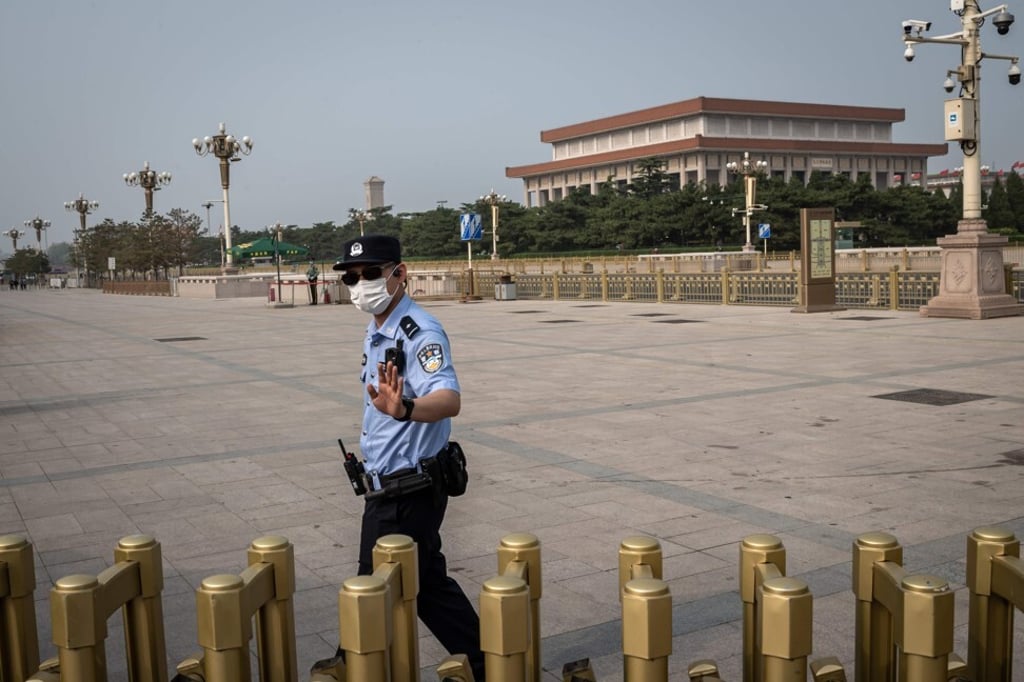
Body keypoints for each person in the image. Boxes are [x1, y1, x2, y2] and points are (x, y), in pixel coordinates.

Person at [333, 234, 485, 680]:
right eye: (353, 277)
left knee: (371, 583)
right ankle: (490, 660)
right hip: (390, 482)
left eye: (371, 274)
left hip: (408, 487)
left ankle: (348, 665)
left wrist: (405, 409)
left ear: (400, 274)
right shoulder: (378, 326)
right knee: (427, 584)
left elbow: (449, 399)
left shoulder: (420, 331)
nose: (360, 284)